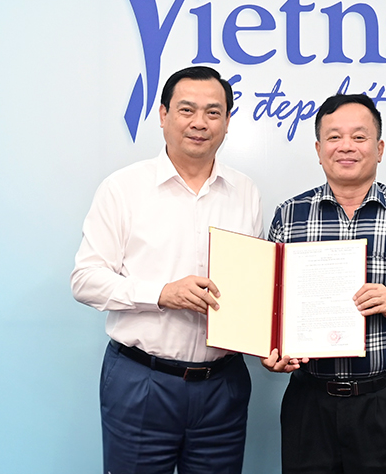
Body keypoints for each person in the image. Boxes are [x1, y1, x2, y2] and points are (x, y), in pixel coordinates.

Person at [71, 66, 261, 474]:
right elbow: (85, 280)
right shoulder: (123, 188)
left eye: (213, 112)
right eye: (186, 109)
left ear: (228, 121)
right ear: (163, 115)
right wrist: (161, 294)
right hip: (143, 380)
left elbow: (255, 285)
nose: (199, 123)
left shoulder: (245, 191)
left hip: (223, 384)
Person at [263, 93, 386, 474]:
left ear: (379, 148)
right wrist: (270, 352)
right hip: (309, 401)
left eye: (359, 136)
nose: (346, 146)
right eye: (334, 137)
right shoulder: (289, 215)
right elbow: (270, 305)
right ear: (319, 150)